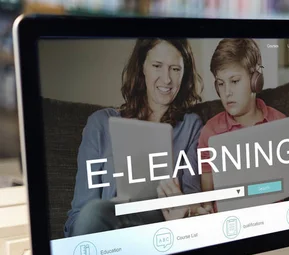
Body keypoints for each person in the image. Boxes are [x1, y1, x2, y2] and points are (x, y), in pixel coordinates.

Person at [66, 38, 206, 237]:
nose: (167, 79)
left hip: (160, 231)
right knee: (93, 213)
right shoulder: (100, 124)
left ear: (185, 73)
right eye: (157, 66)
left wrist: (184, 213)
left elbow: (194, 200)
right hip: (106, 229)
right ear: (142, 68)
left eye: (175, 69)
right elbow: (78, 215)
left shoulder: (191, 126)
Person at [196, 38, 286, 212]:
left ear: (255, 80)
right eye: (221, 84)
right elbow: (207, 196)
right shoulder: (210, 132)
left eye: (235, 81)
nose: (227, 92)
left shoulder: (280, 123)